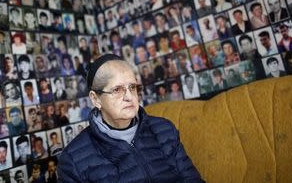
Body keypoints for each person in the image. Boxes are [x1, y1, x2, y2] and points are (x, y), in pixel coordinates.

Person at [57, 54, 203, 181]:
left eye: (132, 87)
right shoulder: (73, 159)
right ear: (95, 99)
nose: (129, 97)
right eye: (117, 90)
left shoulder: (165, 129)